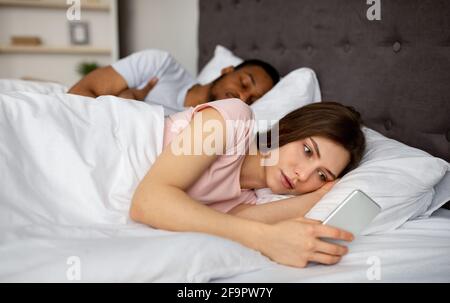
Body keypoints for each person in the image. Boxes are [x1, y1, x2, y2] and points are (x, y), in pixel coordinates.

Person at [130, 99, 366, 268]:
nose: (303, 176)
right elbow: (146, 202)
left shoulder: (248, 201)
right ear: (287, 129)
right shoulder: (235, 120)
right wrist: (267, 238)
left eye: (321, 175)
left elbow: (227, 227)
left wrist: (318, 196)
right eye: (307, 150)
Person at [68, 49, 280, 115]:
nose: (242, 97)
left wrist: (126, 107)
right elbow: (80, 92)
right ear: (226, 71)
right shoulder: (159, 65)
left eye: (251, 100)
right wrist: (118, 103)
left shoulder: (208, 133)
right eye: (243, 84)